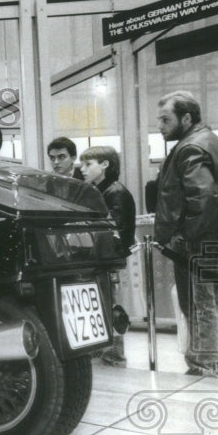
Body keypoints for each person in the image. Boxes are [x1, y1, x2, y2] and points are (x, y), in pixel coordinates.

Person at [154, 90, 218, 378]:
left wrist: (187, 237)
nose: (160, 126)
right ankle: (208, 362)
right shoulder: (209, 142)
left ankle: (206, 365)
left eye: (166, 119)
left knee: (199, 303)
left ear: (186, 118)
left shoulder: (191, 147)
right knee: (207, 302)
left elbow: (202, 196)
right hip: (212, 239)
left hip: (199, 242)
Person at [79, 145, 136, 367]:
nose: (82, 169)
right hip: (103, 258)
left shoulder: (114, 192)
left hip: (108, 259)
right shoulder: (105, 190)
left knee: (110, 303)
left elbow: (114, 231)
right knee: (106, 302)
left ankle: (114, 352)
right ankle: (109, 350)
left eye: (88, 164)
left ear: (105, 164)